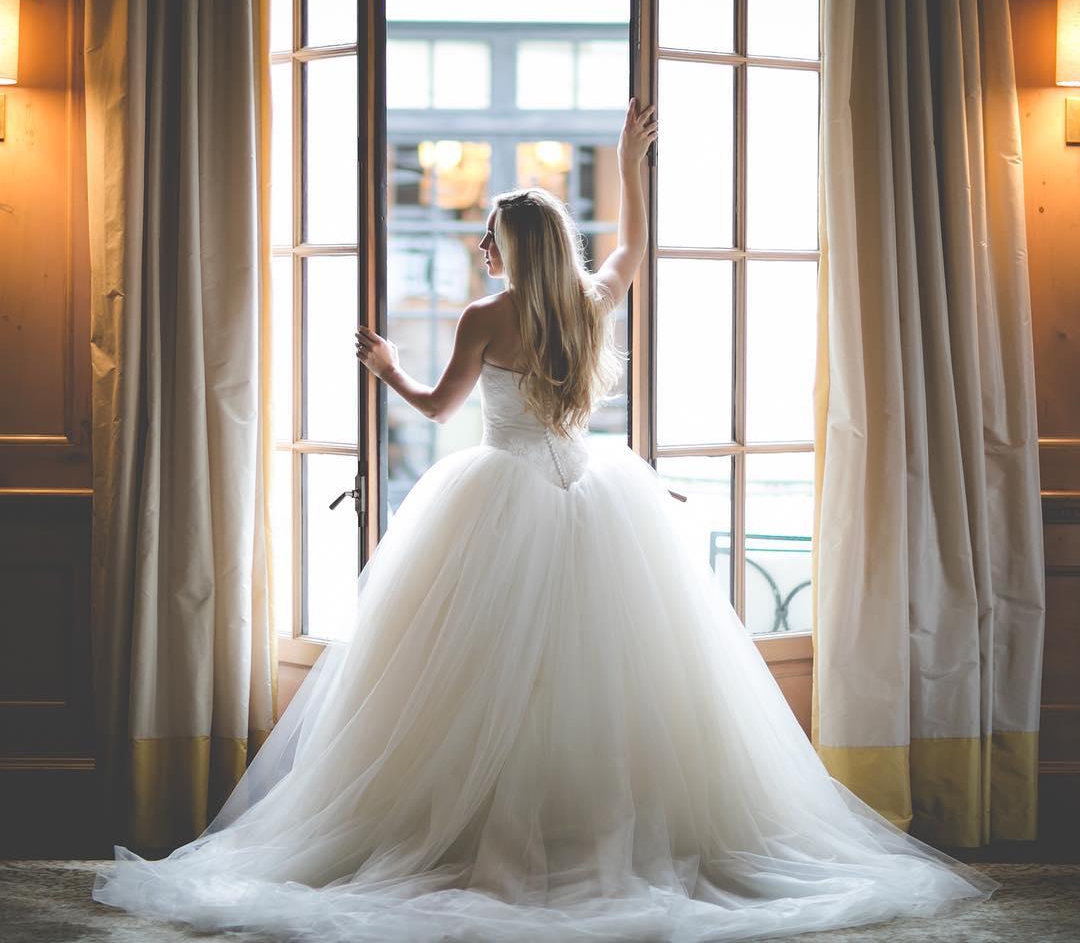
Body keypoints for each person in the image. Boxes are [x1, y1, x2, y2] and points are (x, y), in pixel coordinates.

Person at [93, 99, 998, 942]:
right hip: (593, 491)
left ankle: (484, 827)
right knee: (606, 674)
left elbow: (439, 410)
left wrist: (385, 363)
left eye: (488, 234)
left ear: (508, 247)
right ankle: (582, 830)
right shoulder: (585, 304)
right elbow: (635, 252)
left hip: (497, 492)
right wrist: (629, 164)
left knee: (479, 677)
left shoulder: (487, 317)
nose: (481, 246)